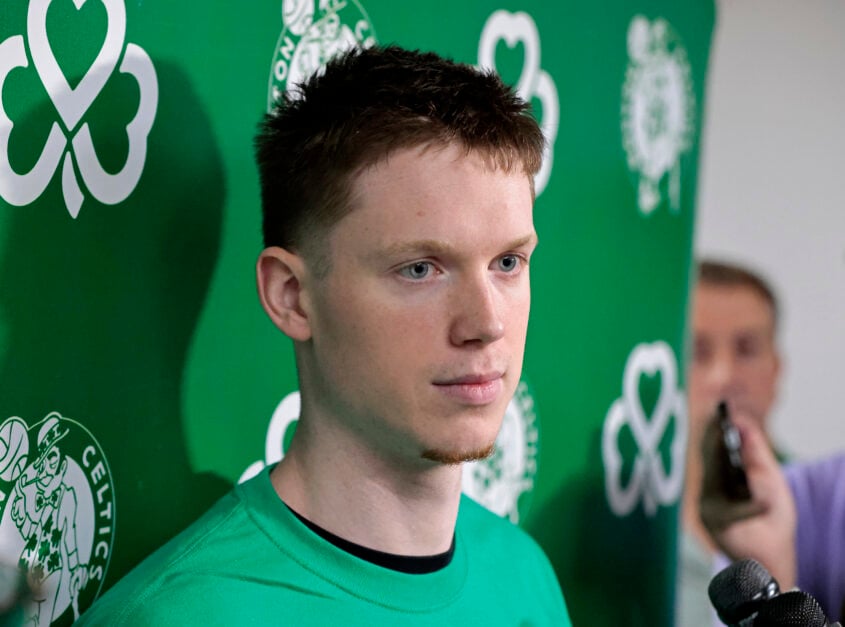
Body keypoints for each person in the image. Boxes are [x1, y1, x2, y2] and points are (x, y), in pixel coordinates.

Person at [76, 45, 571, 625]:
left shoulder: (524, 576)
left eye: (508, 263)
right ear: (291, 296)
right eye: (420, 269)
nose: (487, 324)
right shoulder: (183, 615)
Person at [677, 259, 784, 626]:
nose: (724, 376)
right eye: (699, 351)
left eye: (746, 348)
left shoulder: (829, 516)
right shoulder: (635, 529)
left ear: (776, 371)